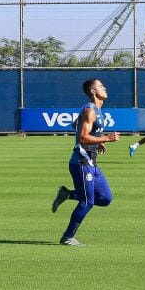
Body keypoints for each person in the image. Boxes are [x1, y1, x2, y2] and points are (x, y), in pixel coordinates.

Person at [51, 78, 121, 246]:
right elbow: (82, 137)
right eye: (100, 86)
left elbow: (75, 124)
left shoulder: (94, 109)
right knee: (88, 202)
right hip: (81, 162)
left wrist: (98, 140)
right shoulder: (90, 110)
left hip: (91, 163)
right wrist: (106, 138)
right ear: (93, 92)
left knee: (105, 198)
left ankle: (68, 194)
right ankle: (67, 237)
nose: (105, 88)